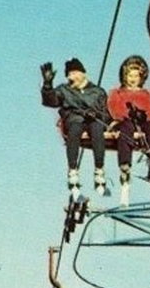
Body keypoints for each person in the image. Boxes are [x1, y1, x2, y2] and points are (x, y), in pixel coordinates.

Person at [40, 58, 112, 196]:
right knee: (75, 130)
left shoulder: (97, 92)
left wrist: (97, 114)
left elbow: (106, 114)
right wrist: (47, 85)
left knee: (97, 130)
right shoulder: (64, 90)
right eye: (69, 75)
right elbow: (50, 101)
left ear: (83, 73)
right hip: (75, 118)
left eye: (74, 73)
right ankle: (72, 170)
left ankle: (99, 170)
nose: (71, 77)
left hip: (93, 119)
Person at [107, 55, 150, 199]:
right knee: (125, 129)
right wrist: (123, 116)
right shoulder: (118, 93)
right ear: (124, 76)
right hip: (126, 121)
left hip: (142, 122)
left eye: (136, 76)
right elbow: (114, 108)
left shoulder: (146, 94)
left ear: (141, 77)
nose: (132, 79)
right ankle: (125, 164)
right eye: (129, 75)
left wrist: (143, 116)